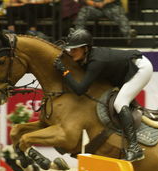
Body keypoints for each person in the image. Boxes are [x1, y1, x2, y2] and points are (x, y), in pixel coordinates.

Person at [53, 29, 152, 162]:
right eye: (70, 50)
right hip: (125, 70)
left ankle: (135, 148)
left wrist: (64, 71)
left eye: (74, 49)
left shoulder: (96, 62)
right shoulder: (87, 57)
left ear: (85, 49)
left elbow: (79, 90)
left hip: (141, 68)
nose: (71, 53)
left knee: (119, 102)